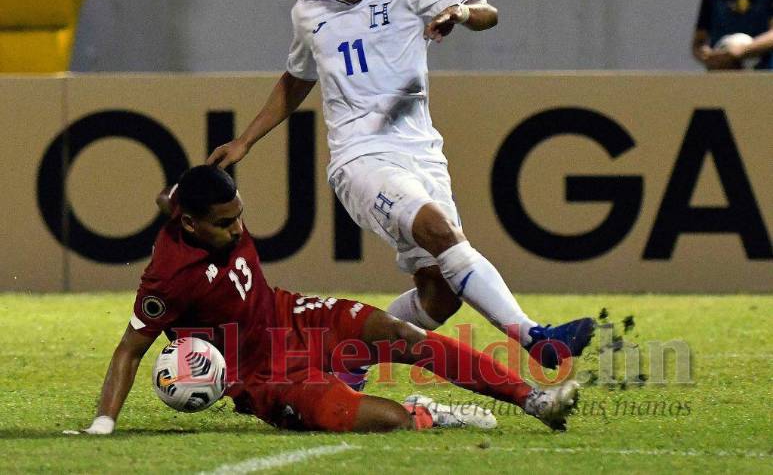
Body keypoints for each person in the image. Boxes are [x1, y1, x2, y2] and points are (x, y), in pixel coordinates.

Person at [207, 0, 594, 381]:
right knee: (438, 230)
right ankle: (537, 339)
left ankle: (347, 356)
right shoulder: (310, 12)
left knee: (440, 293)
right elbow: (296, 79)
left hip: (421, 154)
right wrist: (246, 140)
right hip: (360, 158)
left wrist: (460, 12)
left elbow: (488, 14)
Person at [69, 165, 579, 436]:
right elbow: (129, 349)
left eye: (239, 215)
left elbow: (170, 197)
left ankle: (534, 401)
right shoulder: (167, 278)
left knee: (404, 336)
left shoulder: (195, 205)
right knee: (386, 422)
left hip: (292, 314)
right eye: (225, 224)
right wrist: (103, 424)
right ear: (189, 224)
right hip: (263, 378)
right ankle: (425, 413)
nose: (238, 228)